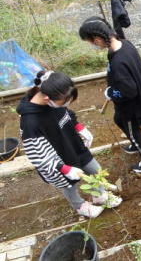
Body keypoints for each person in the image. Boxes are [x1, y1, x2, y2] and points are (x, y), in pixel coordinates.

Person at [18, 71, 122, 218]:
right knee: (69, 184)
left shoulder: (54, 100)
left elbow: (66, 113)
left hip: (74, 145)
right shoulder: (30, 123)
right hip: (59, 158)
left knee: (95, 170)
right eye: (64, 101)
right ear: (48, 99)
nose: (66, 104)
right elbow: (38, 155)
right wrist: (63, 168)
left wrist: (79, 127)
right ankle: (79, 205)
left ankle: (100, 195)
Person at [79, 17, 141, 173]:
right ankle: (135, 144)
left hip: (131, 106)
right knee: (118, 119)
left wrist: (112, 93)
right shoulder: (125, 45)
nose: (92, 45)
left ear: (97, 40)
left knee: (134, 132)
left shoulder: (118, 63)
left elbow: (129, 91)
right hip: (132, 100)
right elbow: (140, 64)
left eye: (90, 42)